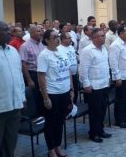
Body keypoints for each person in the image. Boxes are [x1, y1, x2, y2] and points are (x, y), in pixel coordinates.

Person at [0, 21, 25, 157]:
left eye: (9, 29)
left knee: (10, 144)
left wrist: (22, 97)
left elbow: (19, 76)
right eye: (5, 30)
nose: (9, 32)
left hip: (14, 107)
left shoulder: (13, 51)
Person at [37, 29, 74, 157]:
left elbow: (68, 71)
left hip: (64, 91)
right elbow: (41, 77)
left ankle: (58, 146)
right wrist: (45, 97)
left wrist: (71, 89)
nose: (57, 38)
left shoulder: (62, 51)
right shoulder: (44, 55)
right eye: (54, 37)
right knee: (51, 122)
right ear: (47, 40)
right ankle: (51, 149)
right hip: (52, 93)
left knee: (60, 120)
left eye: (58, 36)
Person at [79, 28, 112, 143]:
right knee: (95, 111)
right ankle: (93, 133)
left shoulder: (104, 49)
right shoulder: (87, 51)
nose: (104, 37)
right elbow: (83, 69)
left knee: (103, 109)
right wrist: (86, 84)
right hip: (93, 86)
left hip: (103, 84)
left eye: (104, 35)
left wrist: (108, 79)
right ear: (94, 38)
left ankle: (100, 130)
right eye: (101, 36)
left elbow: (105, 65)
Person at [19, 25, 44, 113]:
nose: (41, 32)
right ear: (31, 33)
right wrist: (29, 80)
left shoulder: (42, 44)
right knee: (36, 96)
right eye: (38, 31)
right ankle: (38, 117)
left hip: (43, 73)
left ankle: (44, 115)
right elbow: (23, 64)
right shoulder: (25, 46)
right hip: (33, 74)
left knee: (43, 95)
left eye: (41, 31)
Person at [59, 32, 79, 104]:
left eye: (70, 37)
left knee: (76, 91)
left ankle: (75, 106)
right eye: (69, 38)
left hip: (74, 74)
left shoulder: (71, 47)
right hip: (67, 76)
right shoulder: (59, 49)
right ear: (63, 39)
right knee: (69, 94)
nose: (71, 39)